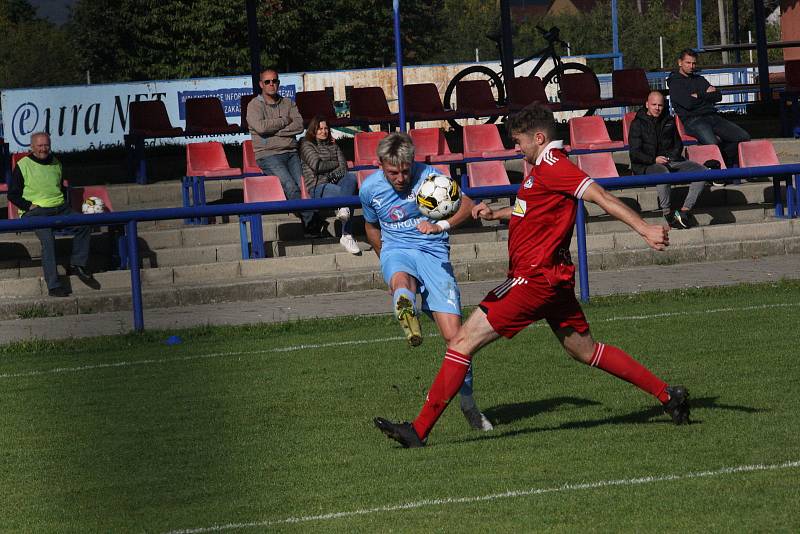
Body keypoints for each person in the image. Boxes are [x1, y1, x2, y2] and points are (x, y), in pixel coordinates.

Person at [374, 105, 690, 448]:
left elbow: (600, 196)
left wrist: (645, 229)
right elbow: (529, 209)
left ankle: (417, 430)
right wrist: (497, 213)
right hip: (553, 281)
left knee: (462, 342)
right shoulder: (540, 169)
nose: (517, 148)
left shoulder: (555, 166)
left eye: (519, 141)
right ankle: (668, 395)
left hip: (534, 279)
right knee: (585, 351)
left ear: (539, 137)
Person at [359, 132, 493, 431]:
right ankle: (405, 306)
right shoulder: (369, 189)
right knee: (399, 279)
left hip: (432, 253)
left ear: (412, 162)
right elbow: (370, 227)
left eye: (406, 169)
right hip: (396, 249)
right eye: (393, 172)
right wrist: (385, 258)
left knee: (457, 338)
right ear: (380, 164)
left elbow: (467, 205)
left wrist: (439, 225)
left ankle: (468, 403)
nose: (401, 177)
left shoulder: (432, 178)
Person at [8, 132, 100, 298]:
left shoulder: (57, 162)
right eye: (40, 146)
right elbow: (12, 195)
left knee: (84, 223)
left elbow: (60, 188)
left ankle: (78, 263)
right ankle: (54, 285)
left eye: (46, 145)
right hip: (35, 212)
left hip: (60, 208)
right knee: (48, 240)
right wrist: (28, 206)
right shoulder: (23, 165)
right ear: (32, 147)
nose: (44, 149)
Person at [247, 69, 324, 237]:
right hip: (268, 155)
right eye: (267, 81)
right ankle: (312, 222)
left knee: (305, 186)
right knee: (290, 186)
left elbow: (299, 126)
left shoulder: (288, 103)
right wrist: (284, 121)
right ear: (261, 84)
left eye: (274, 81)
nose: (271, 84)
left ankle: (311, 222)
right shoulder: (254, 105)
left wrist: (275, 131)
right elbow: (260, 127)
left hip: (291, 152)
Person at [629, 91, 707, 229]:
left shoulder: (669, 120)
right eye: (654, 105)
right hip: (647, 165)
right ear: (647, 104)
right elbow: (635, 153)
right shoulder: (637, 124)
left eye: (660, 105)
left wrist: (670, 157)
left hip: (670, 161)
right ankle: (668, 214)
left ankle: (684, 211)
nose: (657, 108)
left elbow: (678, 144)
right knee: (662, 172)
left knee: (702, 171)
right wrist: (654, 159)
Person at [667, 49, 750, 168]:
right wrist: (706, 96)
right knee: (713, 143)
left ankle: (725, 161)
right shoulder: (675, 83)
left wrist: (699, 95)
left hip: (712, 117)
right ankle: (722, 167)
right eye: (688, 63)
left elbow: (718, 96)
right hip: (692, 120)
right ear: (680, 62)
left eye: (694, 63)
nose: (691, 66)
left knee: (743, 137)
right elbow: (688, 103)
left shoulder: (699, 79)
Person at [299, 115, 360, 254]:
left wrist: (333, 172)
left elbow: (344, 168)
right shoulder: (306, 144)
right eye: (319, 129)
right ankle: (346, 234)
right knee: (349, 195)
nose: (323, 131)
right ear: (313, 130)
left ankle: (344, 215)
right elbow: (317, 165)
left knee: (351, 178)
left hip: (336, 182)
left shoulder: (333, 144)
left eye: (326, 128)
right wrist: (335, 165)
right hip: (318, 187)